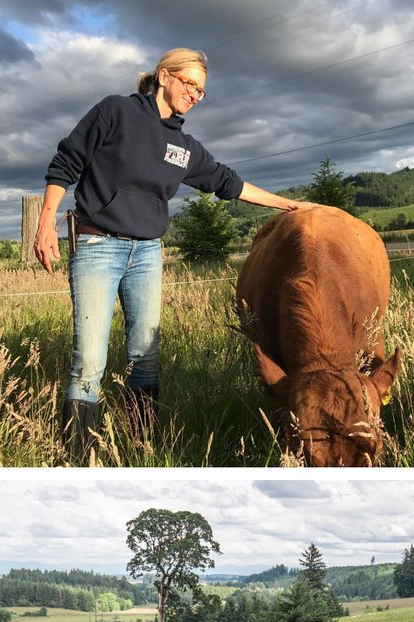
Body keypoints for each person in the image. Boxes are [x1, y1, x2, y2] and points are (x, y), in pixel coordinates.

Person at [35, 48, 320, 460]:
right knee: (89, 360)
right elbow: (66, 163)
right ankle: (77, 457)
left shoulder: (183, 147)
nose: (195, 94)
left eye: (201, 91)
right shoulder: (115, 111)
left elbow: (229, 182)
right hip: (99, 246)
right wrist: (46, 223)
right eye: (189, 83)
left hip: (147, 254)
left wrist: (291, 206)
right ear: (164, 76)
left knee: (145, 356)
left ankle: (140, 445)